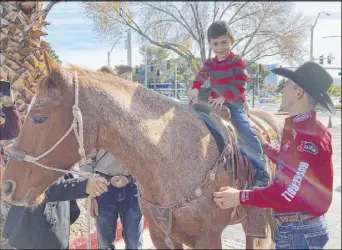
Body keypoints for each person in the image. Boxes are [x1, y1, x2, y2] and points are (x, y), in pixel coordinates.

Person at [213, 62, 334, 249]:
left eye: (286, 84)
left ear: (298, 92)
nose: (282, 89)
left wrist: (239, 197)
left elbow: (287, 193)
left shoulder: (306, 138)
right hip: (299, 229)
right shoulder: (303, 130)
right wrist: (264, 147)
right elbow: (293, 167)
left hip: (298, 232)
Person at [187, 20, 269, 188]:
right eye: (215, 43)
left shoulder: (237, 61)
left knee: (245, 131)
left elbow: (240, 84)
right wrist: (195, 89)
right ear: (210, 44)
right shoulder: (210, 62)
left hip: (234, 104)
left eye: (224, 42)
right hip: (214, 104)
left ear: (232, 41)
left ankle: (261, 171)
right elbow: (201, 76)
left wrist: (224, 97)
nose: (220, 47)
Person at [2, 173, 109, 249]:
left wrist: (89, 182)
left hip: (56, 227)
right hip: (29, 227)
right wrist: (83, 186)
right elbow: (41, 187)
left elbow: (69, 173)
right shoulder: (32, 149)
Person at [82, 149, 143, 250]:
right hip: (103, 187)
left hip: (133, 187)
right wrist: (90, 195)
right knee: (105, 244)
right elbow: (86, 159)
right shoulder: (98, 132)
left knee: (134, 243)